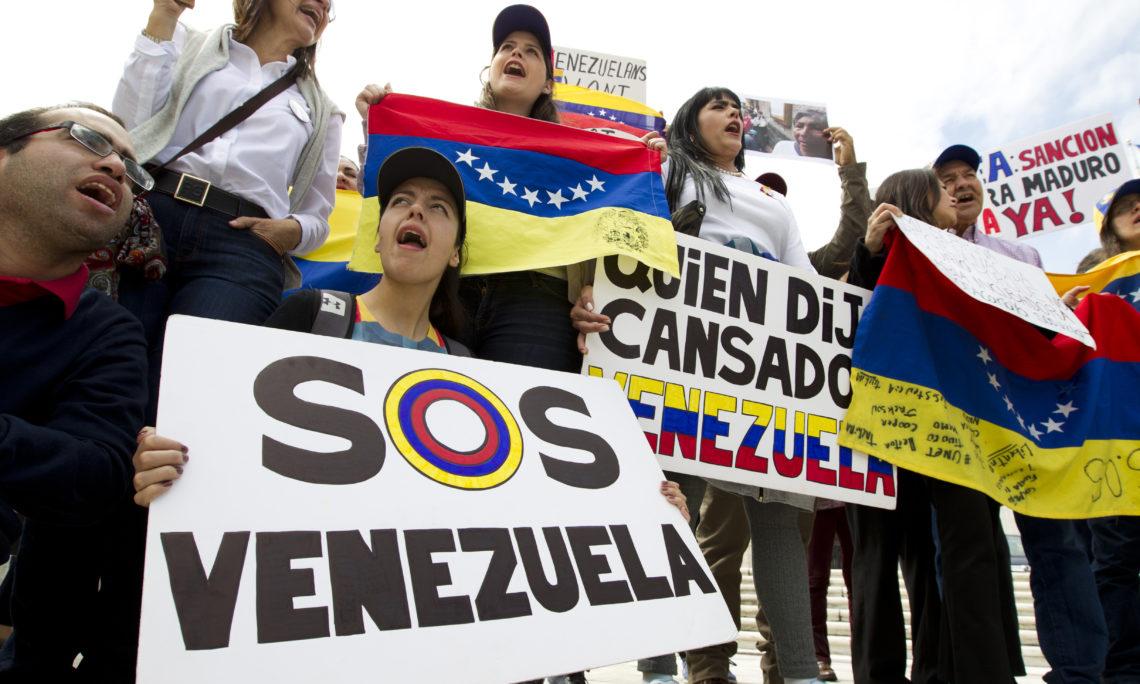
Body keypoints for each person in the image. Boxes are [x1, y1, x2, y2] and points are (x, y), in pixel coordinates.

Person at [576, 87, 823, 684]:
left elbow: (805, 279)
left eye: (738, 107)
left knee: (778, 519)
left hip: (759, 371)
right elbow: (616, 234)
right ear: (690, 121)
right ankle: (659, 664)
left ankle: (799, 672)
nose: (734, 114)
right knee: (668, 505)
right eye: (717, 105)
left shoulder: (772, 199)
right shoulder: (665, 169)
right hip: (677, 358)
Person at [113, 0, 344, 415]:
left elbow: (316, 216)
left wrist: (289, 231)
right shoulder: (185, 44)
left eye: (330, 6)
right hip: (152, 218)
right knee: (115, 359)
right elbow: (130, 128)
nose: (324, 5)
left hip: (240, 249)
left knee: (193, 383)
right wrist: (163, 17)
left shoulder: (324, 112)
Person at [935, 144, 1109, 684]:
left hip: (1029, 417)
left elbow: (1045, 331)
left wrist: (1069, 314)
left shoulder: (1023, 256)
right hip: (959, 417)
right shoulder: (923, 250)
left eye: (968, 175)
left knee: (1058, 543)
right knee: (966, 548)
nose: (961, 185)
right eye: (947, 179)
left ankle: (1079, 671)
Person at [0, 102, 149, 679]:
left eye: (134, 173)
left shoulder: (107, 335)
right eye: (88, 139)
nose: (116, 168)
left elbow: (96, 470)